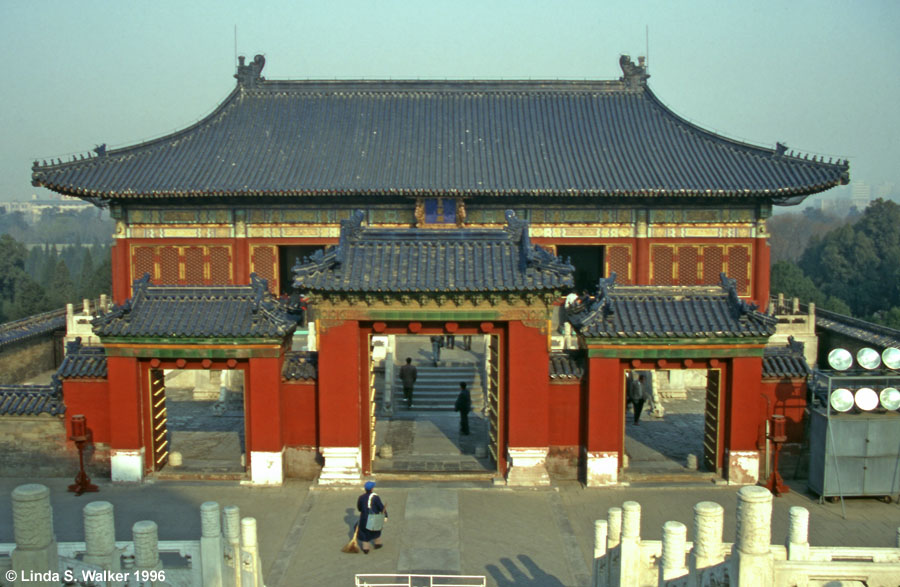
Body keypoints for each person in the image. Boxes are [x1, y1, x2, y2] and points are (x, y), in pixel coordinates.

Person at [356, 481, 387, 553]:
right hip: (374, 517)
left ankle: (365, 548)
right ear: (372, 489)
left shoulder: (361, 497)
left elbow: (359, 508)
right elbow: (381, 507)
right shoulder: (375, 497)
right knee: (376, 530)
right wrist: (385, 516)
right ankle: (378, 544)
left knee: (364, 533)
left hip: (364, 518)